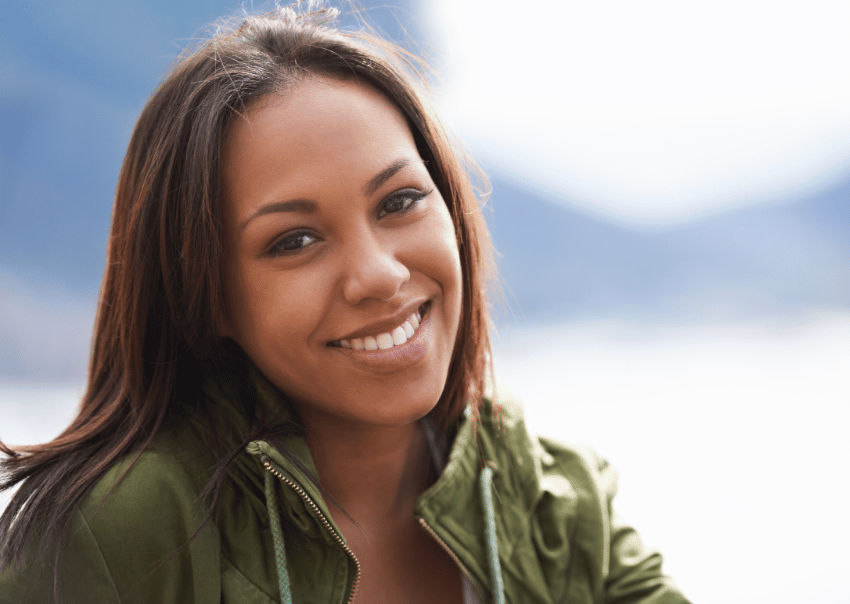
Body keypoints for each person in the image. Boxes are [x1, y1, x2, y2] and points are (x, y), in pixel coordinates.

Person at [0, 5, 690, 603]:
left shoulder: (552, 503)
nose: (379, 275)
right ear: (206, 294)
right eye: (294, 240)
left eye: (399, 202)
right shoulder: (117, 534)